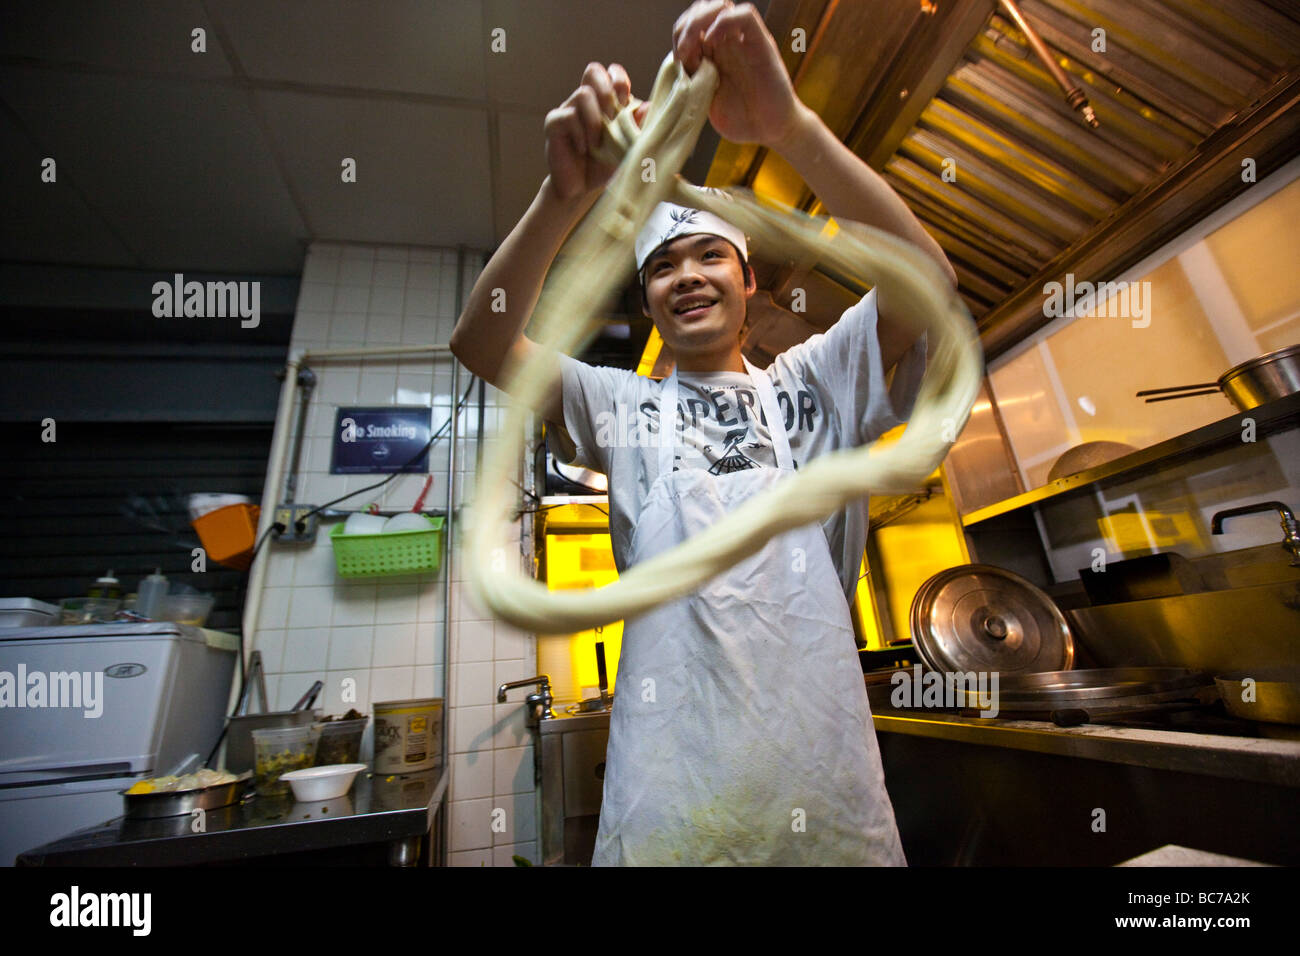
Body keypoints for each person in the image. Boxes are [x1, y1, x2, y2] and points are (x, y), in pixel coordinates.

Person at [451, 0, 959, 865]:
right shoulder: (623, 406)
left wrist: (789, 126)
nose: (685, 276)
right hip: (671, 795)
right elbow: (482, 342)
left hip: (822, 785)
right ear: (645, 295)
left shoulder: (817, 382)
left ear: (748, 274)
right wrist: (560, 196)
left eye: (708, 256)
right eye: (660, 267)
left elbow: (927, 285)